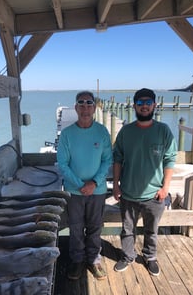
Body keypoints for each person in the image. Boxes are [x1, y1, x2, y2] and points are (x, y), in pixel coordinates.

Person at [112, 88, 177, 276]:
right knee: (127, 229)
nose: (144, 106)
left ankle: (150, 257)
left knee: (152, 230)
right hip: (128, 193)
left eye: (148, 102)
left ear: (154, 105)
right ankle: (127, 256)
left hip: (155, 194)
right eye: (140, 103)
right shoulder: (126, 131)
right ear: (134, 106)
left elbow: (170, 160)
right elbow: (117, 159)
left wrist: (165, 188)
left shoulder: (163, 130)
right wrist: (116, 185)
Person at [57, 91, 112, 280]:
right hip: (75, 191)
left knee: (95, 226)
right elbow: (63, 164)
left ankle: (94, 260)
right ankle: (77, 260)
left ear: (94, 108)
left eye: (89, 103)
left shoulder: (102, 131)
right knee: (76, 227)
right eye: (81, 103)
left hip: (98, 190)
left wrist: (94, 183)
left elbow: (107, 160)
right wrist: (81, 185)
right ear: (76, 107)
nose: (85, 107)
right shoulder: (67, 134)